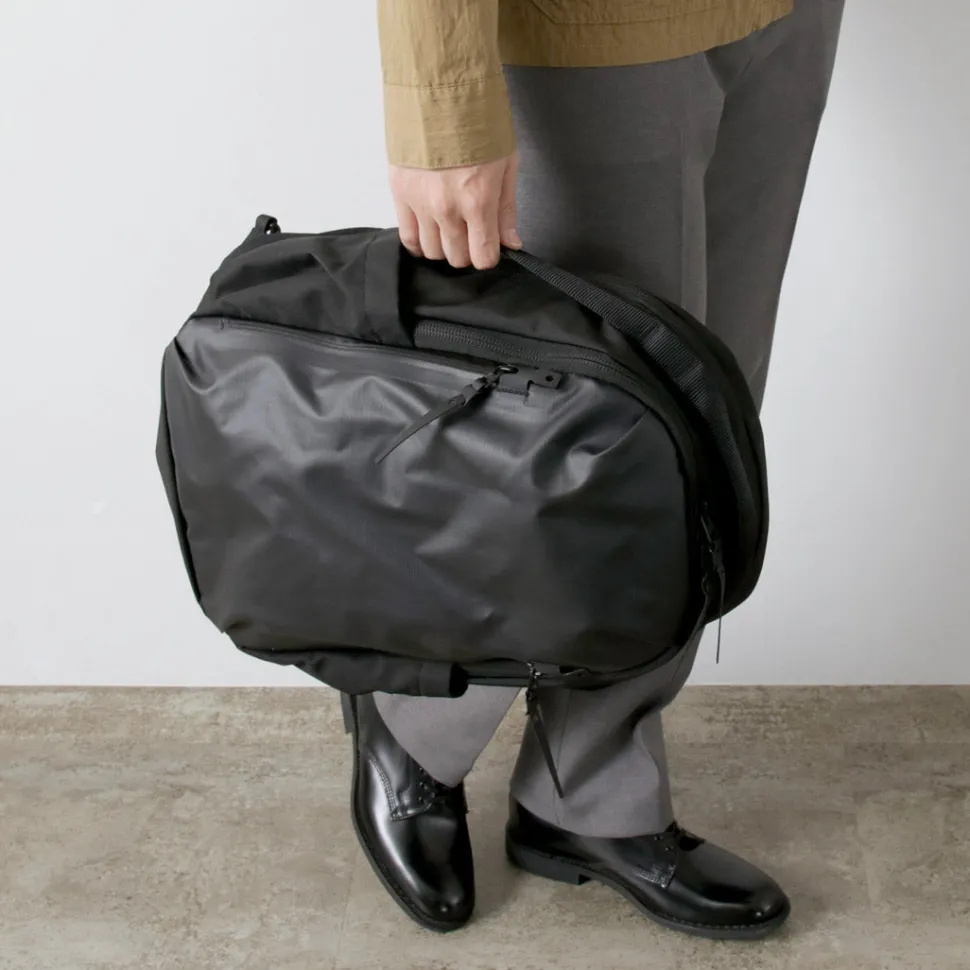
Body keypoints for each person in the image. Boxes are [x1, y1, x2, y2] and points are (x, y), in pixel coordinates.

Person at [349, 0, 845, 938]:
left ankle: (588, 788)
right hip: (593, 29)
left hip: (787, 17)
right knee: (583, 448)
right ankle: (419, 715)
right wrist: (441, 105)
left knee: (697, 445)